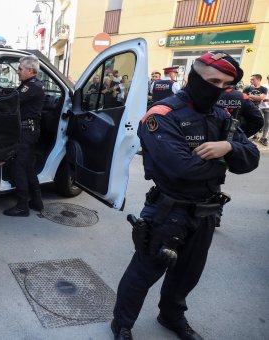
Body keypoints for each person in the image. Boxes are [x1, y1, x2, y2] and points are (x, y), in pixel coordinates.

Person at [111, 52, 259, 340]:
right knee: (144, 272)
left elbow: (251, 159)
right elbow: (181, 169)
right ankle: (122, 323)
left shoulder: (220, 115)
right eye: (213, 81)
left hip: (205, 212)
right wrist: (225, 160)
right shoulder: (161, 115)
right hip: (169, 212)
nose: (219, 89)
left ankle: (171, 316)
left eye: (226, 84)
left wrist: (227, 149)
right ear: (194, 77)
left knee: (187, 274)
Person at [3, 55, 45, 217]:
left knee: (19, 166)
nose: (18, 71)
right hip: (27, 131)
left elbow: (14, 100)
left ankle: (22, 206)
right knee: (27, 166)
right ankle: (37, 201)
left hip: (27, 132)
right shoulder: (27, 85)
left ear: (30, 70)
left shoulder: (33, 86)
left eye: (20, 69)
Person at [243, 74, 268, 145]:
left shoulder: (263, 88)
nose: (251, 81)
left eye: (252, 79)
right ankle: (244, 138)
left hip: (256, 108)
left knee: (257, 122)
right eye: (251, 79)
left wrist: (249, 96)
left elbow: (261, 98)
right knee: (245, 122)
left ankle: (261, 137)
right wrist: (256, 97)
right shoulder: (247, 87)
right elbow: (243, 96)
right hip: (245, 108)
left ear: (258, 80)